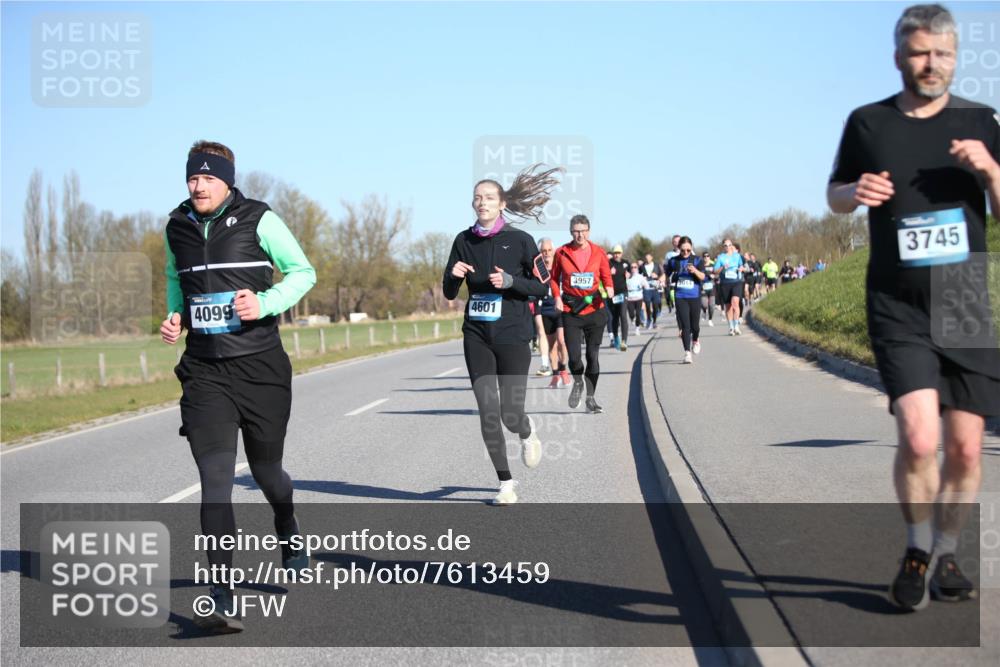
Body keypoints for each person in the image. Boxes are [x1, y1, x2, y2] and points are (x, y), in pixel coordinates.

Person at [827, 3, 1000, 611]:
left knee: (966, 448)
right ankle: (918, 547)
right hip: (896, 300)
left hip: (963, 296)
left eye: (943, 54)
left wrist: (991, 170)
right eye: (921, 53)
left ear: (955, 57)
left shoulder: (982, 120)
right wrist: (854, 191)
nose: (932, 64)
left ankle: (947, 551)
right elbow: (834, 195)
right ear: (899, 56)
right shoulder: (868, 122)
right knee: (921, 438)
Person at [160, 140, 317, 633]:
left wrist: (265, 303)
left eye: (208, 178)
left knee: (268, 472)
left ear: (227, 181)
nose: (198, 185)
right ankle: (221, 595)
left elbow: (303, 272)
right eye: (193, 177)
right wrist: (176, 316)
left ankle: (287, 524)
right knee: (215, 479)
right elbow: (175, 280)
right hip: (205, 372)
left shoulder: (259, 218)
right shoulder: (176, 226)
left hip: (260, 369)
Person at [443, 166, 560, 505]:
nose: (482, 202)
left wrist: (511, 282)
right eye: (477, 198)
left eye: (489, 197)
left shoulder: (521, 241)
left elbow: (542, 287)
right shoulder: (463, 241)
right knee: (487, 409)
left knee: (510, 412)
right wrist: (453, 275)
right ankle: (505, 483)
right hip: (476, 334)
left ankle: (526, 431)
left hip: (513, 334)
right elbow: (449, 292)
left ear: (502, 203)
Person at [550, 214, 614, 414]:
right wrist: (557, 297)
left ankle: (590, 399)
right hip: (571, 310)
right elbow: (554, 279)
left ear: (589, 231)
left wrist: (609, 287)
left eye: (583, 231)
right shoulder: (562, 252)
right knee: (575, 357)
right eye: (576, 231)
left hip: (594, 309)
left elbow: (606, 275)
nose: (580, 235)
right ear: (571, 232)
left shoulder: (599, 252)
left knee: (592, 356)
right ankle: (578, 381)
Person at [665, 236, 706, 363]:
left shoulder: (697, 260)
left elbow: (703, 276)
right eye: (683, 250)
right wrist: (663, 279)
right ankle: (687, 353)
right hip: (680, 297)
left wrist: (694, 271)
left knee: (695, 326)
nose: (685, 253)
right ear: (679, 248)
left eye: (688, 250)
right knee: (685, 326)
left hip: (694, 296)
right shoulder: (674, 261)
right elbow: (666, 273)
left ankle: (696, 340)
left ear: (691, 248)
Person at [537, 237, 571, 389]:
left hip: (561, 309)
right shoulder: (537, 271)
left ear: (553, 250)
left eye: (549, 250)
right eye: (543, 251)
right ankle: (555, 375)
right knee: (551, 346)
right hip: (545, 310)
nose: (547, 253)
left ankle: (564, 370)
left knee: (562, 341)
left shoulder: (560, 266)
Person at [713, 238, 745, 335]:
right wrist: (722, 267)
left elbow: (742, 266)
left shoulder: (737, 256)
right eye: (725, 245)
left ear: (732, 245)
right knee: (728, 306)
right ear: (723, 247)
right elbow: (715, 271)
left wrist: (741, 268)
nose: (728, 247)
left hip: (736, 282)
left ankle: (736, 326)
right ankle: (731, 327)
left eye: (729, 245)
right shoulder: (721, 257)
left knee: (735, 303)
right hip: (725, 283)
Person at [608, 244, 631, 351]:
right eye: (615, 253)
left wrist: (629, 275)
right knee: (615, 317)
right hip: (613, 294)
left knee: (623, 314)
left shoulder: (626, 263)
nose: (617, 255)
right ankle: (616, 336)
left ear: (622, 253)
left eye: (618, 253)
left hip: (623, 292)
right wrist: (609, 273)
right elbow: (602, 274)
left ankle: (624, 341)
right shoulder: (609, 263)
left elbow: (631, 272)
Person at [626, 261, 648, 330]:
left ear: (637, 268)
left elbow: (646, 286)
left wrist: (643, 285)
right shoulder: (627, 276)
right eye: (632, 267)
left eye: (635, 267)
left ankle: (637, 328)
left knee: (638, 313)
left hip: (639, 297)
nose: (633, 269)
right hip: (630, 298)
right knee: (631, 314)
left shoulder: (640, 277)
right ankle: (633, 319)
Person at [700, 252, 716, 326]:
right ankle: (704, 311)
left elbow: (717, 274)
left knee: (712, 305)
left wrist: (714, 276)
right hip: (703, 287)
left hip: (712, 287)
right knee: (704, 304)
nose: (706, 257)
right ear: (703, 258)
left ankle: (710, 319)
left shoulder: (713, 265)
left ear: (709, 257)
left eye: (707, 256)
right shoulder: (700, 266)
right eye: (705, 256)